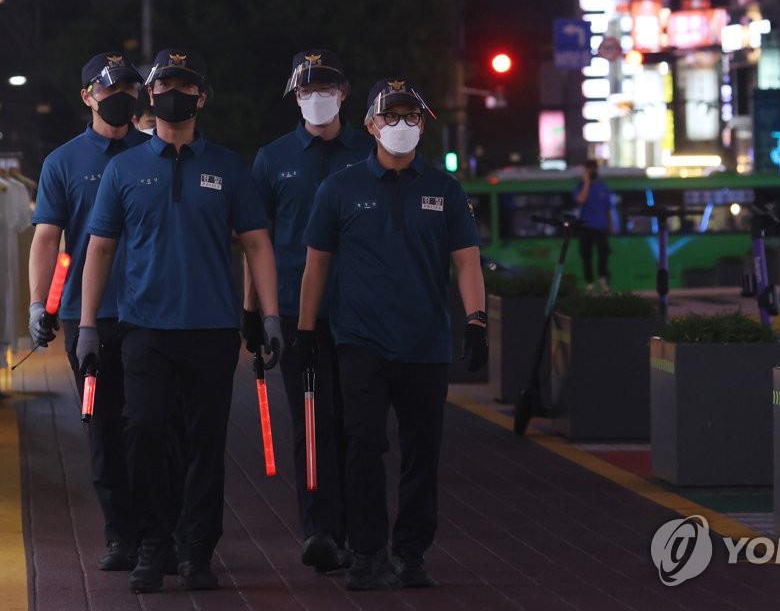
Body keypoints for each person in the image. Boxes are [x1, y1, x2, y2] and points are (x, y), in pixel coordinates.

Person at [78, 48, 284, 594]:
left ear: (201, 97)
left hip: (211, 330)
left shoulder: (229, 167)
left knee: (204, 441)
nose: (173, 92)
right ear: (150, 95)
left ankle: (195, 551)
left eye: (184, 85)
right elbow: (98, 250)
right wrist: (87, 327)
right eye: (164, 83)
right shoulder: (123, 169)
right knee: (141, 430)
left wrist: (270, 316)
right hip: (142, 327)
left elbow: (258, 244)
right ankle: (152, 543)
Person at [297, 78, 487, 591]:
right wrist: (306, 329)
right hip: (360, 341)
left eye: (412, 118)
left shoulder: (444, 190)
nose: (401, 127)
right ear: (371, 125)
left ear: (424, 125)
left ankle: (410, 552)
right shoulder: (339, 188)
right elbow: (317, 264)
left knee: (423, 453)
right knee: (362, 445)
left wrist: (476, 319)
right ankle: (366, 551)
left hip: (425, 344)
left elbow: (467, 261)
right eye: (391, 117)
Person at [242, 49, 374, 573]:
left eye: (325, 89)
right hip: (301, 315)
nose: (315, 99)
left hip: (364, 316)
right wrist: (253, 312)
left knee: (360, 428)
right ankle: (319, 530)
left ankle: (358, 532)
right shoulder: (272, 159)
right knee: (312, 423)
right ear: (294, 97)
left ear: (344, 93)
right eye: (305, 91)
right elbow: (257, 241)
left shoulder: (370, 151)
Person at [27, 51, 149, 572]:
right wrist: (40, 303)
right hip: (88, 322)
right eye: (108, 87)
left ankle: (156, 533)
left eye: (127, 85)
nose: (119, 95)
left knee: (151, 427)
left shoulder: (158, 153)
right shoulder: (63, 162)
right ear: (87, 96)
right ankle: (120, 534)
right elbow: (47, 239)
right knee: (102, 428)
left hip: (152, 318)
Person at [574, 159, 614, 291]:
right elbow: (581, 199)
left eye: (593, 168)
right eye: (589, 169)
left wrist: (611, 225)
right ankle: (589, 283)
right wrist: (586, 182)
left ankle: (603, 279)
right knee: (586, 255)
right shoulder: (580, 186)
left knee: (604, 254)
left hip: (601, 227)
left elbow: (608, 208)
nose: (592, 171)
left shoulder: (603, 186)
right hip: (586, 227)